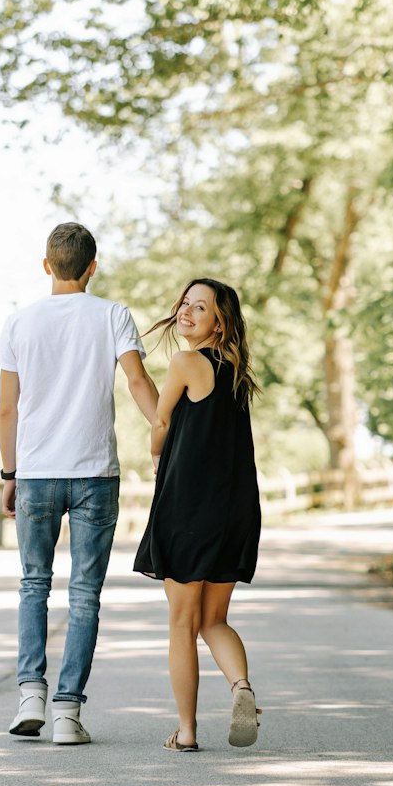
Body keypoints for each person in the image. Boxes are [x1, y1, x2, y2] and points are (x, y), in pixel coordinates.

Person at [0, 222, 158, 745]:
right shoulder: (113, 314)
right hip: (94, 473)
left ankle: (29, 695)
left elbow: (6, 408)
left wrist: (9, 473)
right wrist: (166, 433)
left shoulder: (19, 323)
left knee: (33, 584)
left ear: (47, 266)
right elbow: (136, 380)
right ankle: (67, 712)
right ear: (92, 267)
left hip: (37, 471)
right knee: (84, 593)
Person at [134, 278, 262, 752]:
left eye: (200, 307)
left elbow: (162, 421)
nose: (186, 312)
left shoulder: (186, 362)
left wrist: (154, 457)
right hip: (236, 511)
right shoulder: (235, 370)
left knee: (182, 624)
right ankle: (241, 687)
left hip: (189, 508)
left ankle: (186, 732)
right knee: (213, 620)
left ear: (218, 321)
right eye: (185, 303)